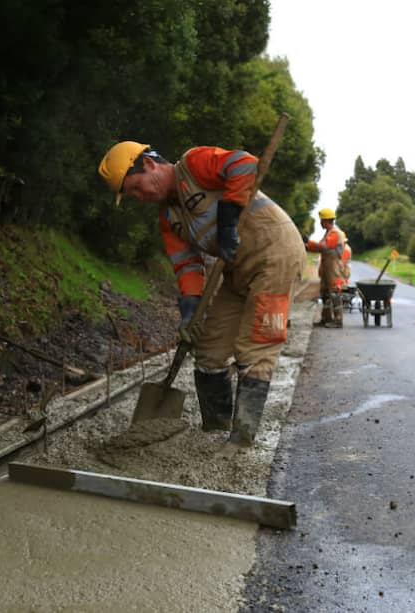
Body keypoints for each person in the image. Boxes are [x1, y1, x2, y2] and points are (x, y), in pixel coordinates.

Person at [98, 141, 304, 446]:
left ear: (150, 165)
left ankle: (241, 441)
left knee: (255, 346)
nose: (140, 198)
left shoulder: (193, 164)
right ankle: (215, 429)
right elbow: (186, 265)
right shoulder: (168, 217)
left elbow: (245, 164)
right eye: (133, 196)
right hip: (235, 271)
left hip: (275, 252)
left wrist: (228, 219)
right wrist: (190, 309)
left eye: (137, 188)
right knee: (209, 349)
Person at [304, 207, 349, 328]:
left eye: (321, 221)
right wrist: (307, 245)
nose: (320, 223)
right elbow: (318, 247)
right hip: (326, 267)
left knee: (334, 293)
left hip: (334, 268)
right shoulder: (328, 233)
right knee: (325, 293)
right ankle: (326, 318)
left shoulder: (335, 233)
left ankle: (338, 320)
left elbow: (323, 246)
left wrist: (309, 242)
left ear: (326, 220)